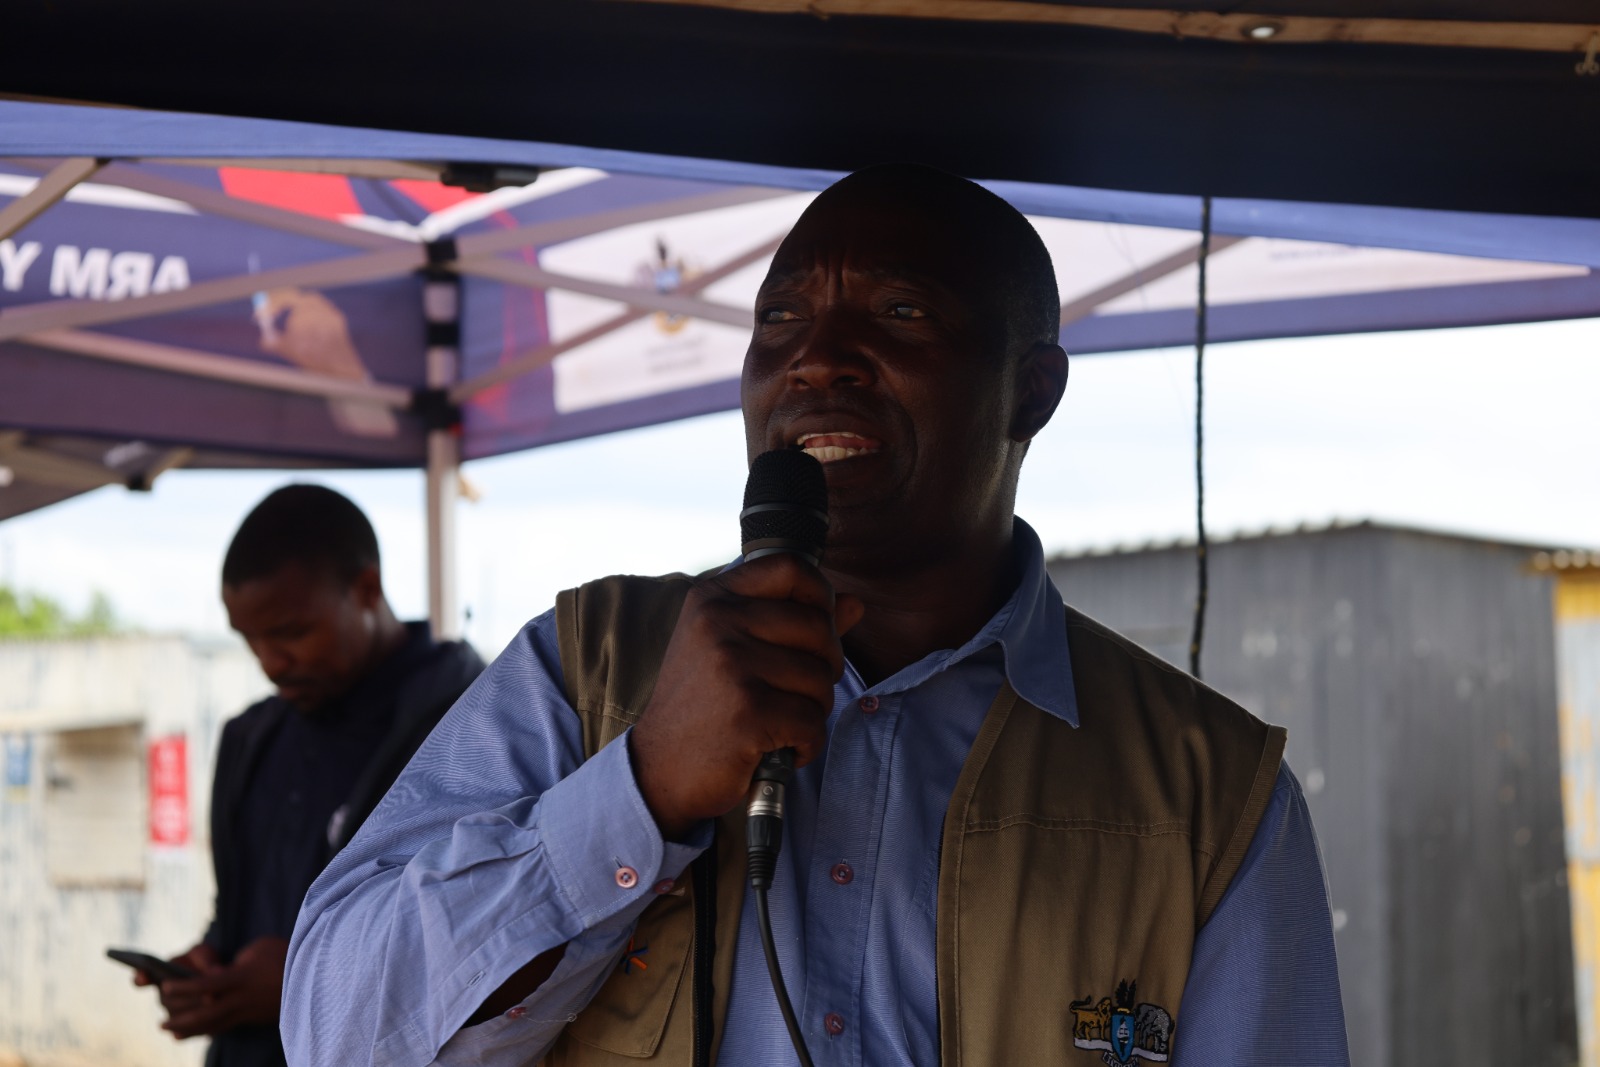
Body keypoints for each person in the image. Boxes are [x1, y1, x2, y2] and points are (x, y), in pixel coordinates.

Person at [284, 166, 1349, 1065]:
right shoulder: (588, 665)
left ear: (1032, 391)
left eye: (899, 312)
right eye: (780, 318)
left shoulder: (1208, 792)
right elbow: (334, 1033)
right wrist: (641, 790)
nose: (816, 356)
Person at [135, 484, 485, 1067]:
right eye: (250, 640)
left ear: (366, 589)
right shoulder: (251, 738)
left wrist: (309, 981)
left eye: (292, 633)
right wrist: (213, 968)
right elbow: (244, 911)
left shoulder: (471, 727)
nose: (271, 663)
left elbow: (496, 936)